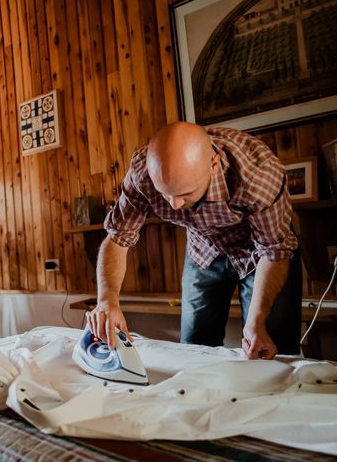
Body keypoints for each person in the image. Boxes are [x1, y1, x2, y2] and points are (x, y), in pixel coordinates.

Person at [87, 122, 301, 360]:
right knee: (194, 346)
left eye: (185, 194)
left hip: (260, 253)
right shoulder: (142, 174)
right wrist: (107, 301)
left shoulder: (258, 174)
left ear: (213, 164)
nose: (174, 205)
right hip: (203, 251)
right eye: (164, 193)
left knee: (269, 343)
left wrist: (257, 321)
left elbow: (274, 250)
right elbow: (118, 237)